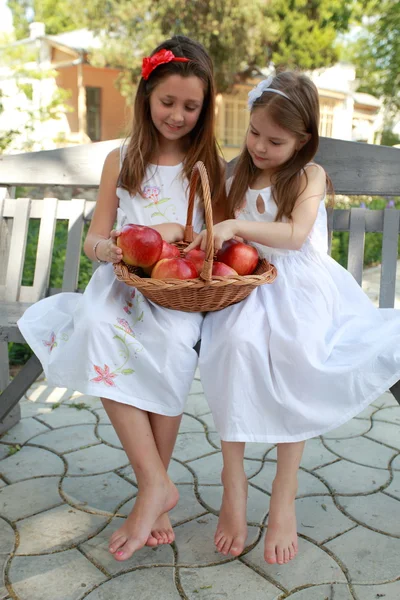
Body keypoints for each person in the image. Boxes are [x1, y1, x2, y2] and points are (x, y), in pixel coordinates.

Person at [18, 35, 225, 561]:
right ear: (146, 97)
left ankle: (153, 494)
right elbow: (94, 238)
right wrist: (112, 248)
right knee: (94, 326)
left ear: (204, 110)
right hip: (124, 282)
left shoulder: (204, 166)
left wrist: (182, 231)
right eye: (167, 102)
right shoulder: (122, 158)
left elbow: (213, 240)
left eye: (189, 106)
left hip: (176, 289)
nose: (176, 115)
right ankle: (155, 485)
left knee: (174, 347)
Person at [185, 71, 400, 566]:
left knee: (294, 349)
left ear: (302, 140)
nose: (260, 146)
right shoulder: (237, 172)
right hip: (249, 284)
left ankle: (284, 489)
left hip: (301, 289)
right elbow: (217, 232)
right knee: (232, 346)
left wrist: (238, 223)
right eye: (254, 133)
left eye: (275, 140)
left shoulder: (310, 175)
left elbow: (298, 236)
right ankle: (232, 478)